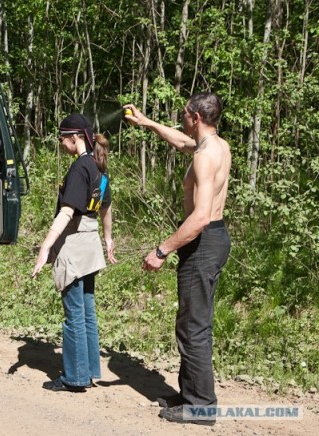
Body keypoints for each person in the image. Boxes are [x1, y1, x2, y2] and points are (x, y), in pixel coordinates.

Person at [124, 93, 231, 425]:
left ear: (196, 117)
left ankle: (201, 406)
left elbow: (199, 218)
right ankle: (188, 395)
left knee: (193, 327)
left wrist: (161, 250)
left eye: (185, 115)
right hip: (211, 240)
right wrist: (147, 123)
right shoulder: (215, 146)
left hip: (203, 241)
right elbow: (183, 142)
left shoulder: (204, 157)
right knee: (190, 323)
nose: (182, 119)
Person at [31, 113, 116, 392]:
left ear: (75, 137)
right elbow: (106, 207)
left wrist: (45, 246)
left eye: (62, 139)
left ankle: (75, 377)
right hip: (90, 243)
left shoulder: (80, 167)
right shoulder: (98, 165)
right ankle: (91, 370)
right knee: (87, 309)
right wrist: (107, 239)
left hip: (75, 243)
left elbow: (68, 211)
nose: (61, 144)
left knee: (74, 313)